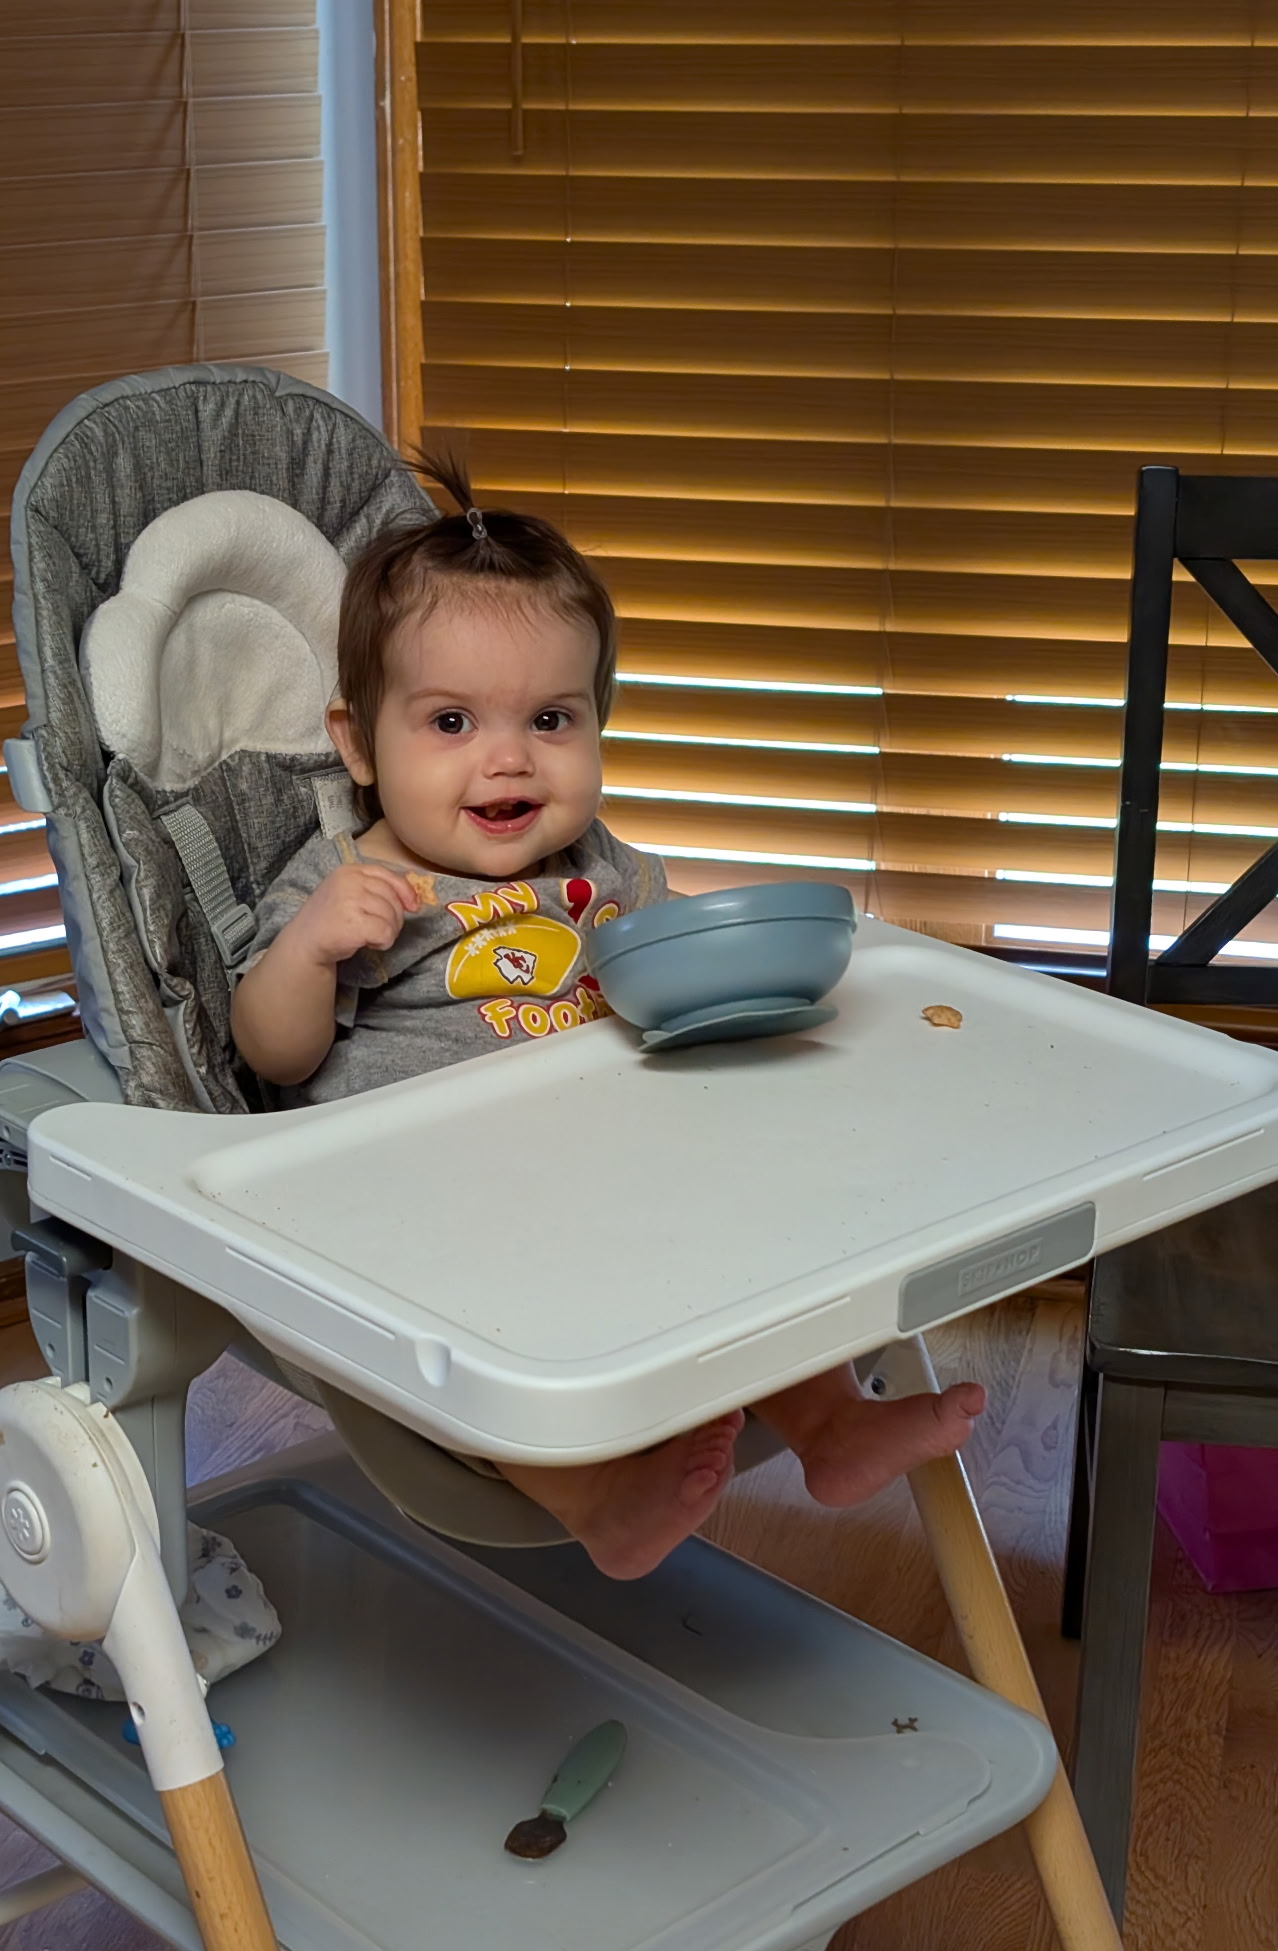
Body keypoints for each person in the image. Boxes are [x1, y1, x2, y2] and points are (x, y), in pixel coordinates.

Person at [231, 460, 983, 1579]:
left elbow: (663, 972)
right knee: (467, 1335)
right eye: (450, 720)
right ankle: (596, 1498)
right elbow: (272, 1054)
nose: (507, 757)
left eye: (550, 718)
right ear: (358, 744)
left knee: (750, 1231)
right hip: (436, 1210)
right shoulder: (346, 883)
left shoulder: (601, 865)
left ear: (598, 722)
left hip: (612, 1173)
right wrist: (307, 950)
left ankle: (831, 1421)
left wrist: (729, 967)